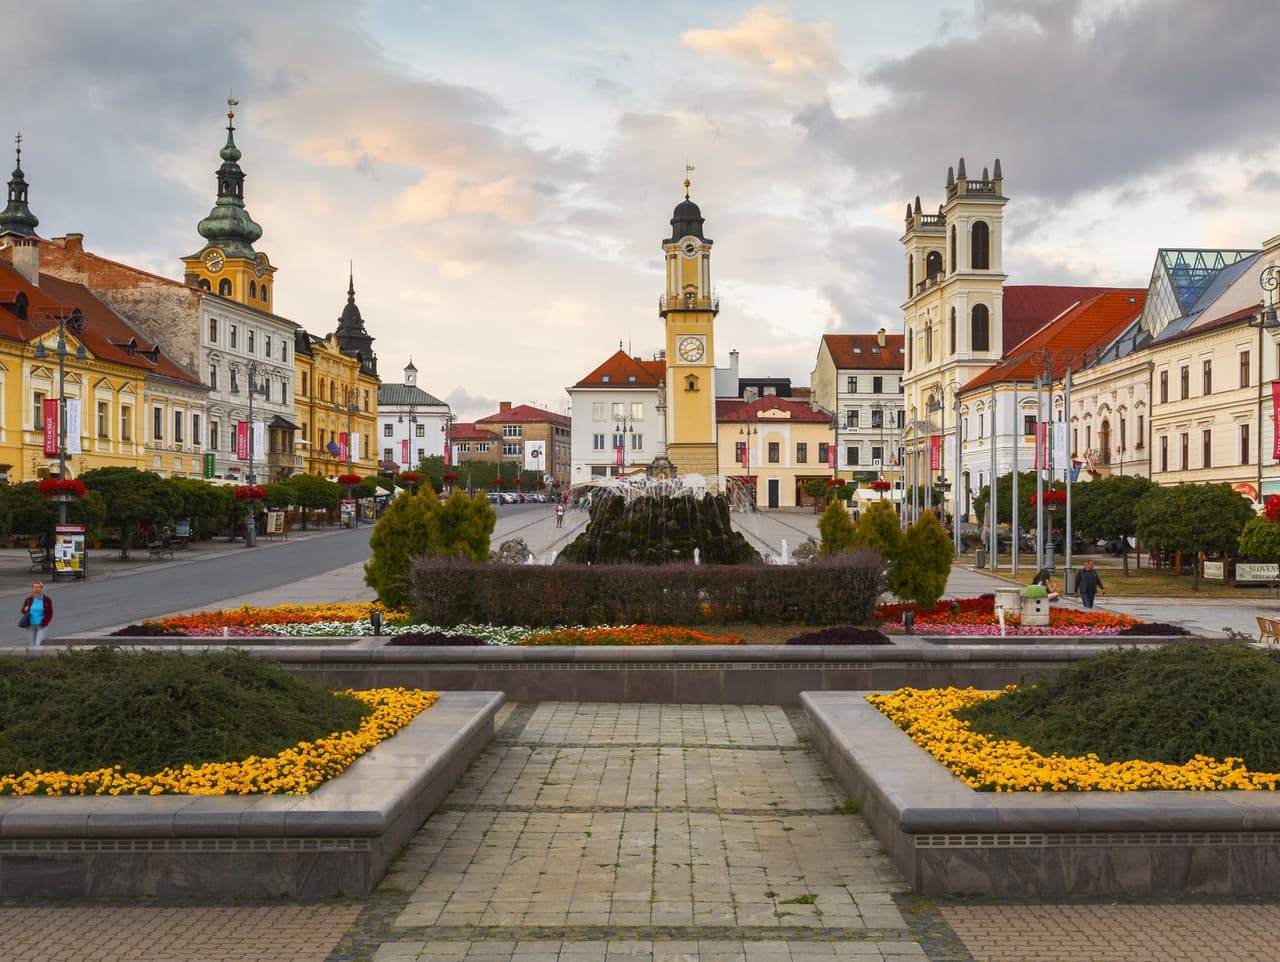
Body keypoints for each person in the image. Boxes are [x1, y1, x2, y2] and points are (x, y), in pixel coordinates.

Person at [20, 581, 52, 649]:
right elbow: (23, 611)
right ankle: (34, 658)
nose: (36, 588)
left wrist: (45, 622)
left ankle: (39, 657)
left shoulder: (47, 600)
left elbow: (50, 613)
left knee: (38, 644)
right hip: (30, 625)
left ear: (41, 588)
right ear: (32, 589)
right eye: (34, 587)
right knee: (32, 645)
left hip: (41, 625)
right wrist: (24, 610)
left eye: (38, 587)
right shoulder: (29, 599)